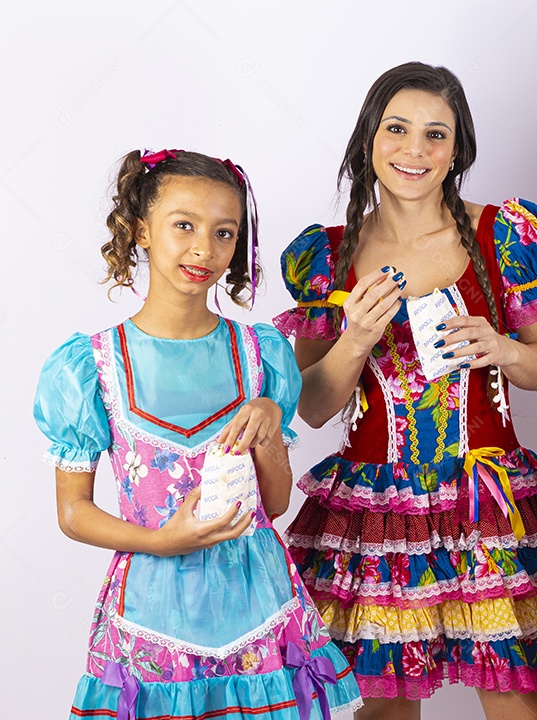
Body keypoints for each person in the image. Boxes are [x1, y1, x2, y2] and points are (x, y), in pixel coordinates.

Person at [274, 62, 537, 719]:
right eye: (398, 129)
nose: (415, 150)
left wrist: (503, 349)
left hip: (487, 504)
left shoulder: (504, 236)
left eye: (436, 135)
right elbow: (314, 405)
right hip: (374, 515)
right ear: (367, 140)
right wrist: (354, 339)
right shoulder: (326, 257)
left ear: (458, 149)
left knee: (521, 700)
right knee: (383, 708)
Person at [34, 149, 363, 719]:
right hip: (153, 610)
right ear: (140, 230)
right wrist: (164, 541)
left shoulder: (262, 356)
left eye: (224, 232)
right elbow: (73, 512)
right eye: (183, 225)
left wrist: (266, 428)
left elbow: (276, 504)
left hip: (259, 605)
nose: (203, 250)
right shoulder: (93, 365)